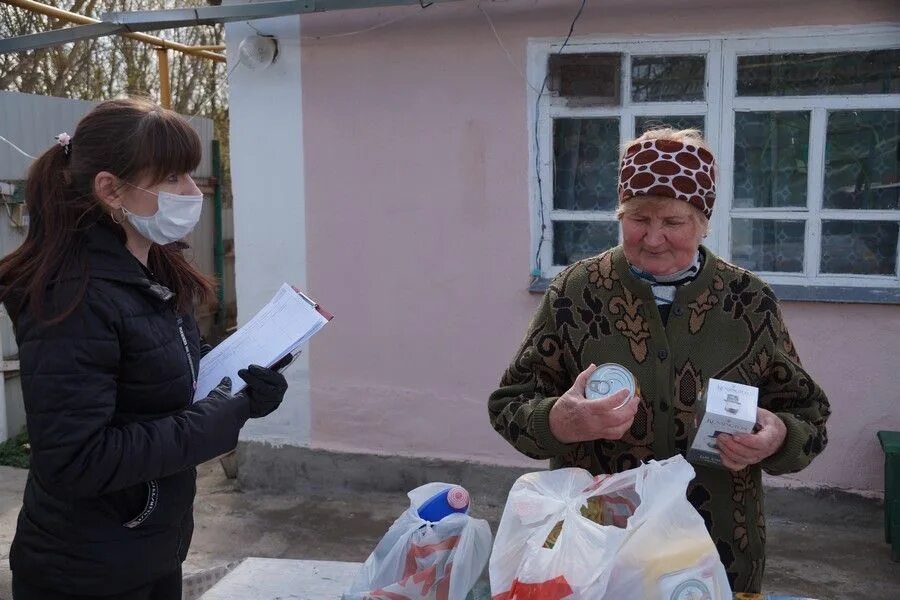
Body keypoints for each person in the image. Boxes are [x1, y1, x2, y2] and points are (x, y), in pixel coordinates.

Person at [488, 128, 830, 593]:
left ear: (703, 221)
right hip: (598, 553)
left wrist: (778, 436)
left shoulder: (749, 301)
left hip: (715, 554)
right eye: (637, 218)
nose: (652, 238)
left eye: (672, 221)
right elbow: (510, 405)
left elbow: (808, 416)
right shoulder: (575, 292)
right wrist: (559, 421)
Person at [0, 98, 290, 599]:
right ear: (111, 189)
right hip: (86, 572)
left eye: (191, 175)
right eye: (173, 178)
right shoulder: (71, 298)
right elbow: (77, 459)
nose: (192, 192)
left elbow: (166, 369)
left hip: (149, 547)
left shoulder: (153, 269)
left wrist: (246, 382)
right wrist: (222, 418)